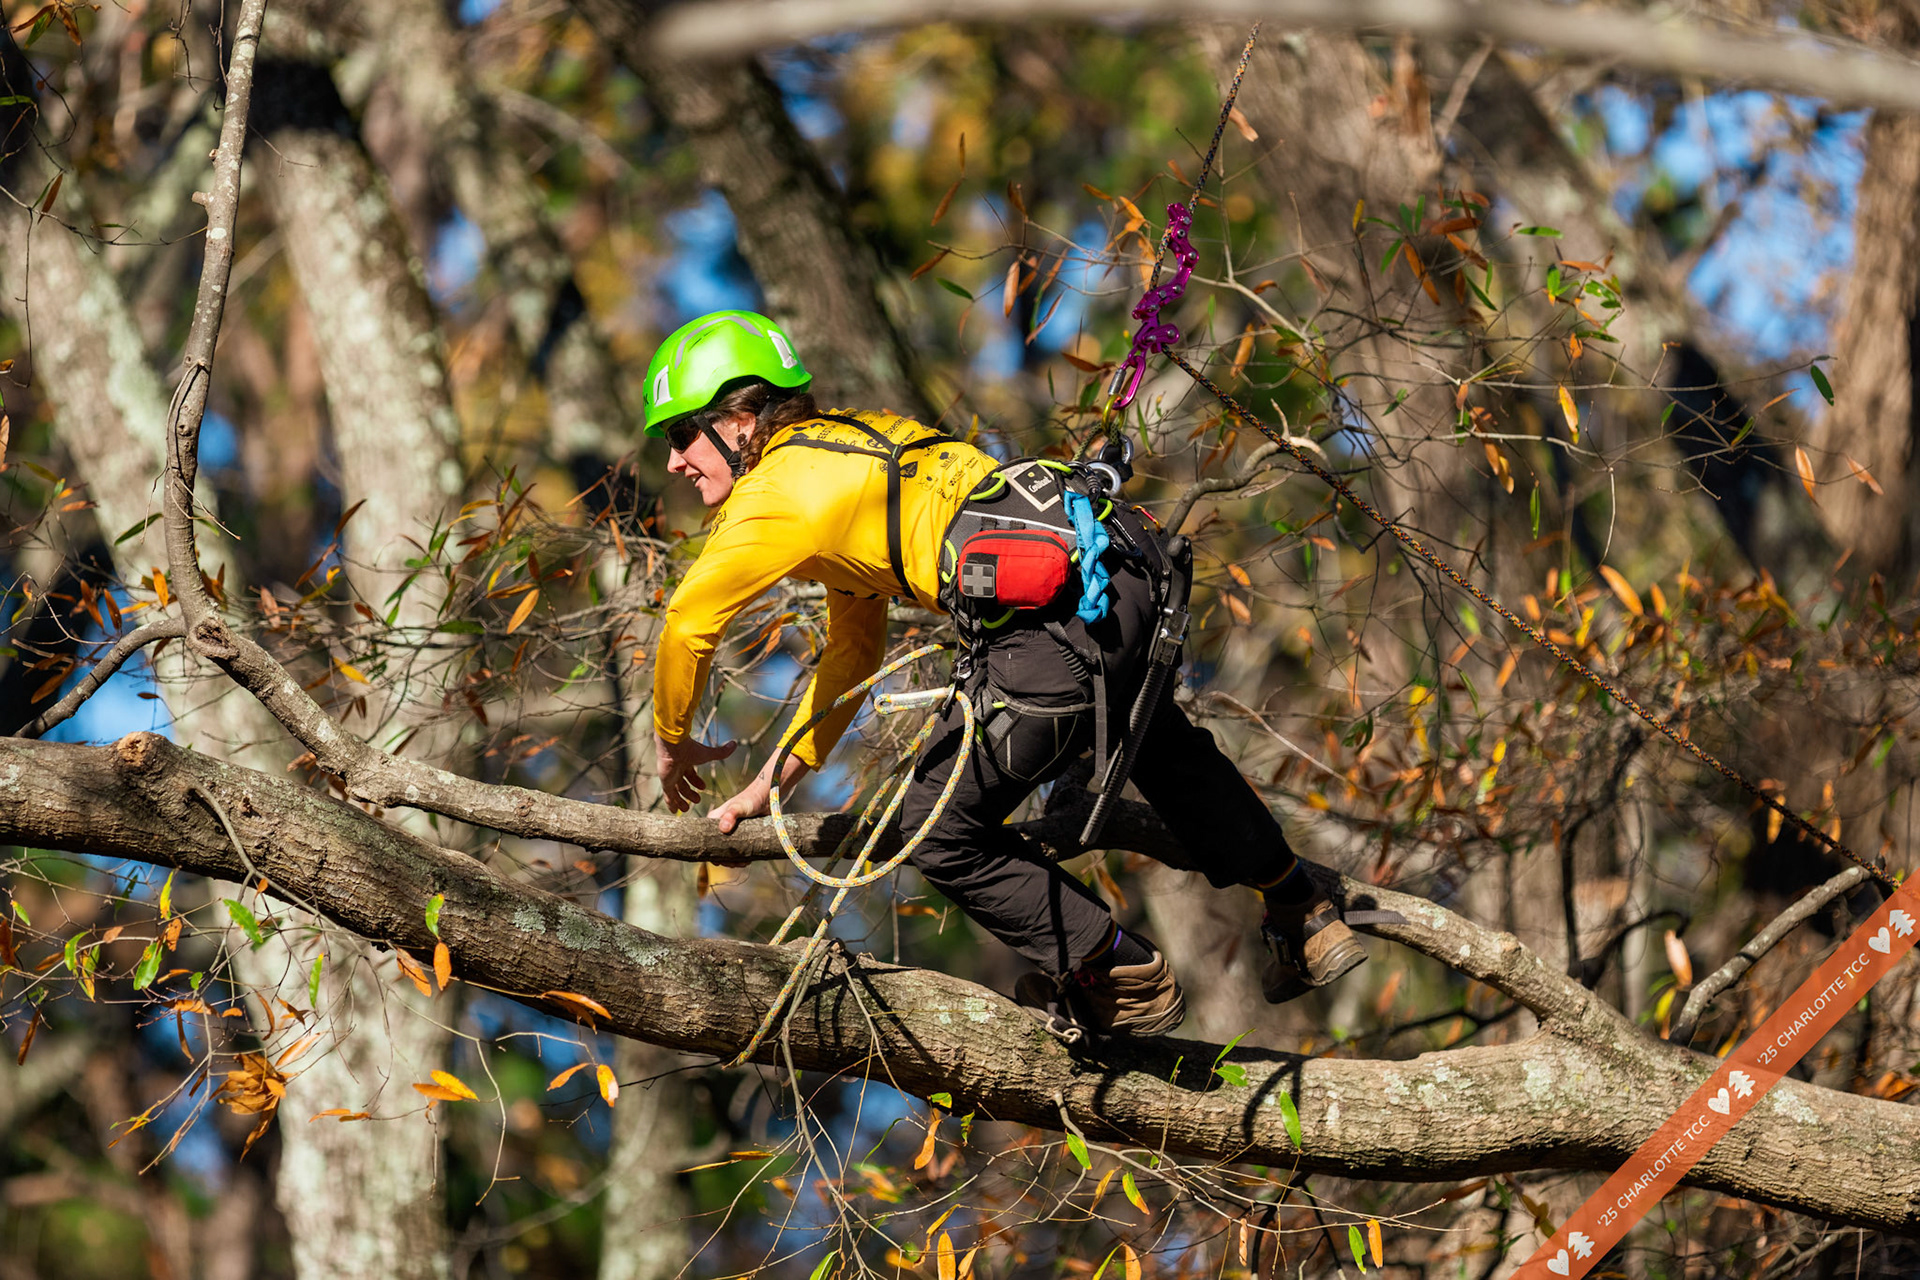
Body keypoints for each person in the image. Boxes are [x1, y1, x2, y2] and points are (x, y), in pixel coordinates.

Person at [644, 309, 1366, 1038]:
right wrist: (771, 782)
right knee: (1158, 745)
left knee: (936, 832)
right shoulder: (855, 448)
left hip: (1045, 626)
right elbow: (853, 653)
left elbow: (686, 625)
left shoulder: (772, 493)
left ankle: (1117, 973)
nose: (674, 462)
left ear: (740, 421)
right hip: (1123, 581)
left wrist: (671, 744)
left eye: (679, 436)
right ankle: (1303, 909)